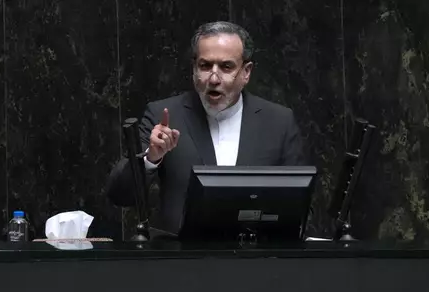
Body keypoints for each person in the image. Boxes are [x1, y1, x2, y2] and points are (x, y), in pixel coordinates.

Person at [107, 21, 308, 235]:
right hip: (183, 260)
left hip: (255, 260)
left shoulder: (278, 121)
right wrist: (150, 159)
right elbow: (119, 195)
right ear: (194, 69)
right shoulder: (164, 116)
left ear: (246, 72)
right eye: (205, 66)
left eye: (226, 67)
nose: (213, 78)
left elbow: (301, 204)